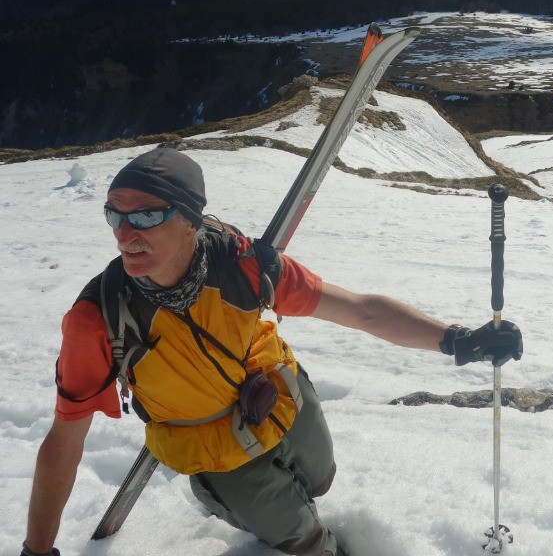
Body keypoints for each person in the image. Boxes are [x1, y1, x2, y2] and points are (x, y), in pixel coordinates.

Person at [22, 147, 523, 556]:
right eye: (114, 214)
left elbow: (361, 311)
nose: (124, 233)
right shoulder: (98, 318)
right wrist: (36, 551)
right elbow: (65, 440)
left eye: (147, 215)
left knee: (321, 481)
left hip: (279, 394)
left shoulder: (242, 265)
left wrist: (457, 339)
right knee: (307, 542)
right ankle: (226, 500)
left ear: (191, 220)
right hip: (214, 449)